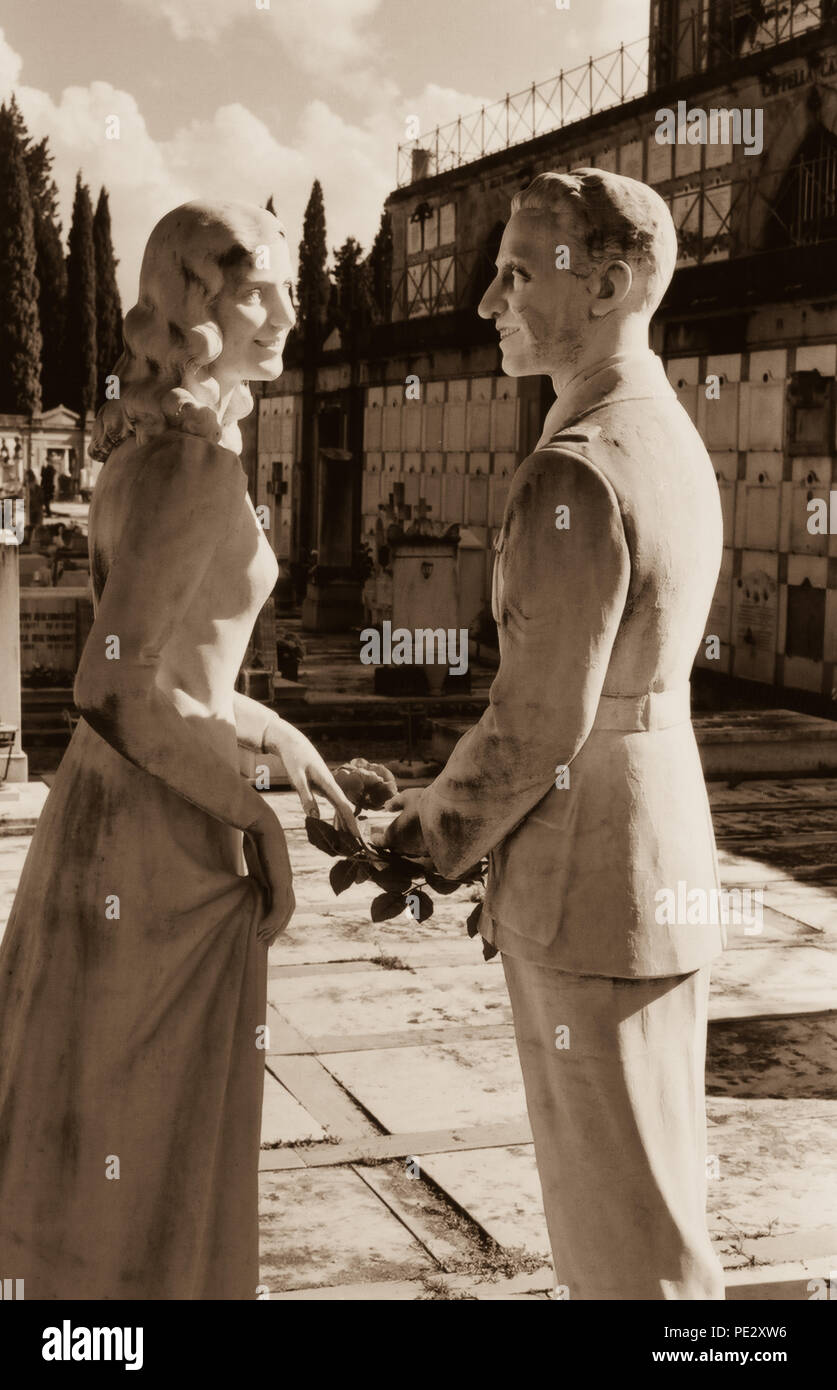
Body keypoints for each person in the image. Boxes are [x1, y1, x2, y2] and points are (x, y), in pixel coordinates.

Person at [0, 200, 359, 1300]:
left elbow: (172, 676)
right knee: (143, 1139)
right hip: (160, 846)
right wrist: (254, 819)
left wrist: (283, 744)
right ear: (199, 310)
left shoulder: (152, 457)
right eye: (255, 285)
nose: (288, 305)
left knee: (98, 1121)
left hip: (109, 815)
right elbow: (111, 682)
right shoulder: (192, 473)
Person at [383, 169, 727, 1300]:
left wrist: (420, 833)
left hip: (590, 875)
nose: (487, 301)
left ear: (611, 286)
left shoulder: (574, 470)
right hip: (658, 850)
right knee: (654, 1202)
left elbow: (535, 723)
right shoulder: (663, 434)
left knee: (622, 1244)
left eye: (518, 273)